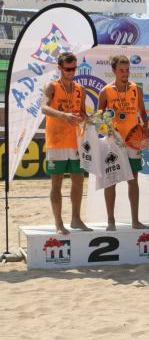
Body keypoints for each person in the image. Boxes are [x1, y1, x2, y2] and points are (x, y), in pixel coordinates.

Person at [41, 52, 91, 234]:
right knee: (57, 183)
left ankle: (76, 219)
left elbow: (83, 112)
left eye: (74, 68)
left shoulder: (80, 89)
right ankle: (58, 223)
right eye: (68, 69)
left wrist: (88, 118)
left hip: (76, 142)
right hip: (56, 142)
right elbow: (43, 107)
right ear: (60, 68)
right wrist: (64, 116)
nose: (71, 72)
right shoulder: (52, 86)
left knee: (78, 181)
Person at [98, 55, 149, 231]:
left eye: (127, 70)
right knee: (111, 180)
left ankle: (135, 220)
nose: (125, 73)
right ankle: (110, 221)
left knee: (133, 180)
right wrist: (108, 128)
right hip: (113, 141)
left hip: (133, 141)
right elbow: (99, 118)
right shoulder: (105, 91)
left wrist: (145, 132)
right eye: (121, 70)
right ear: (113, 71)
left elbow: (143, 113)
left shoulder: (136, 89)